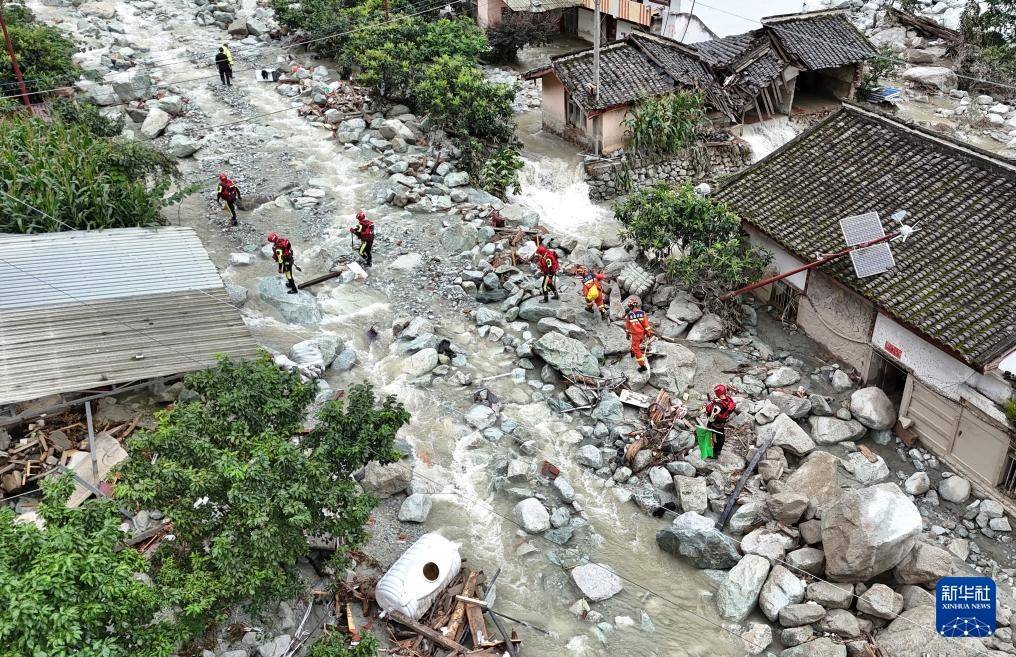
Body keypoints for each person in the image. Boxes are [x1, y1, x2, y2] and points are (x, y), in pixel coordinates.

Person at [705, 384, 737, 457]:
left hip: (714, 423)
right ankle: (719, 449)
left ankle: (714, 452)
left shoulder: (719, 405)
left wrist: (710, 404)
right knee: (721, 436)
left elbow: (711, 413)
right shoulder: (729, 400)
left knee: (714, 437)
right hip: (722, 423)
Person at [624, 298, 653, 372]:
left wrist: (627, 334)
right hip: (642, 334)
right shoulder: (642, 313)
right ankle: (632, 352)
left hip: (635, 335)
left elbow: (627, 327)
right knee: (636, 344)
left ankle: (642, 366)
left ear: (630, 306)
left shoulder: (629, 315)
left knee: (636, 349)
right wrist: (648, 333)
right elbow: (646, 325)